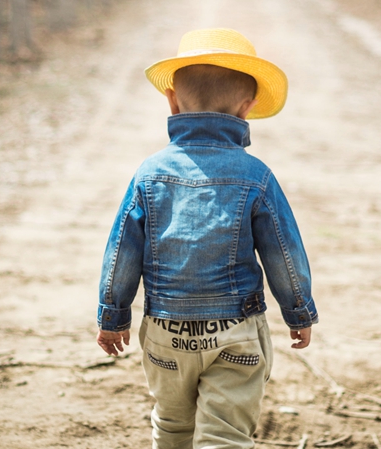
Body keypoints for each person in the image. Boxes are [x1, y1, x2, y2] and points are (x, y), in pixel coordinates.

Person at [96, 28, 318, 449]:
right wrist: (299, 312)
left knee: (173, 428)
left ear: (173, 101)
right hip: (234, 331)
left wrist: (113, 316)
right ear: (247, 108)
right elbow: (284, 254)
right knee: (225, 436)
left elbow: (121, 249)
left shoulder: (148, 174)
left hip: (166, 333)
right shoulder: (256, 177)